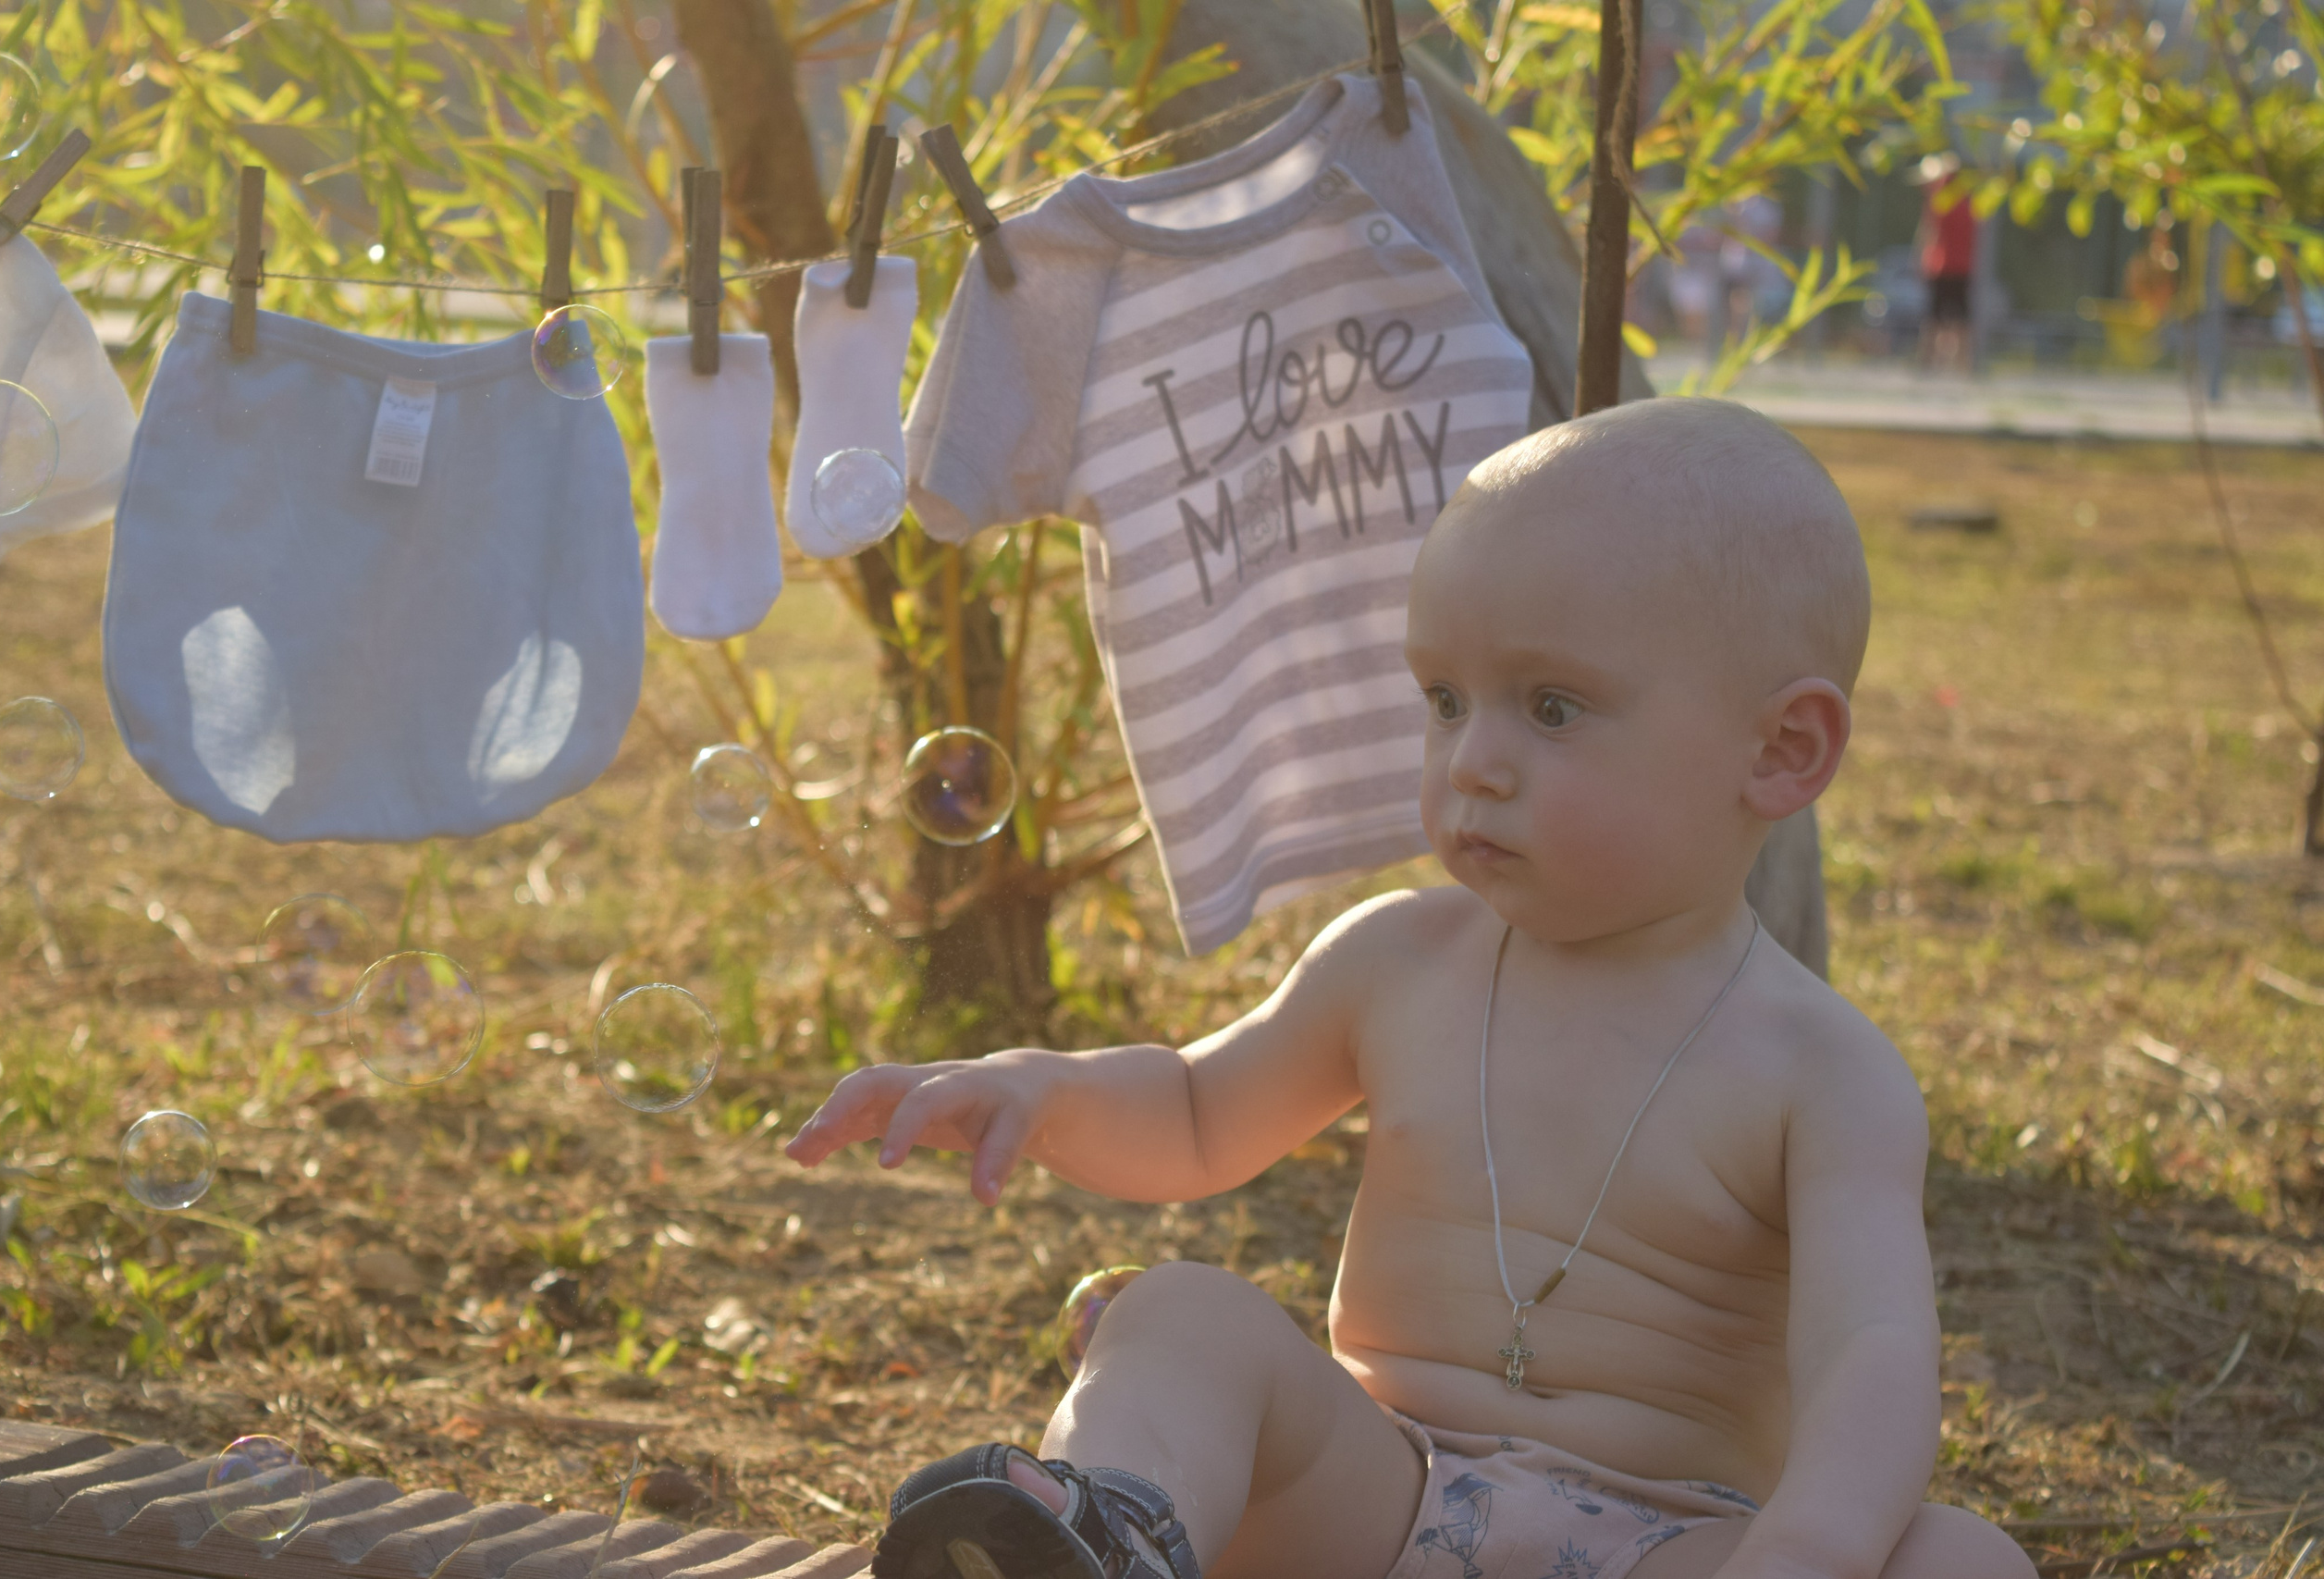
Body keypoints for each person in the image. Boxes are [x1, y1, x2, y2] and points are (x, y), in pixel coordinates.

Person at [785, 398, 2035, 1579]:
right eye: (1445, 699)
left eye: (1552, 707)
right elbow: (1194, 1107)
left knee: (1965, 1556)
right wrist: (1041, 1092)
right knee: (1181, 1311)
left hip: (1676, 1540)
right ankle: (1119, 1532)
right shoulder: (1399, 960)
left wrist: (1805, 1550)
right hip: (1382, 1496)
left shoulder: (1824, 1070)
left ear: (1780, 750)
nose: (1473, 761)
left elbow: (1868, 1351)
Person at [1915, 158, 1977, 372]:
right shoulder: (1969, 200)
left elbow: (1929, 232)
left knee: (1934, 318)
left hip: (1940, 266)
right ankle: (1963, 366)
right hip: (1964, 267)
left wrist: (1920, 259)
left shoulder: (1940, 197)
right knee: (1962, 320)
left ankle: (1927, 363)